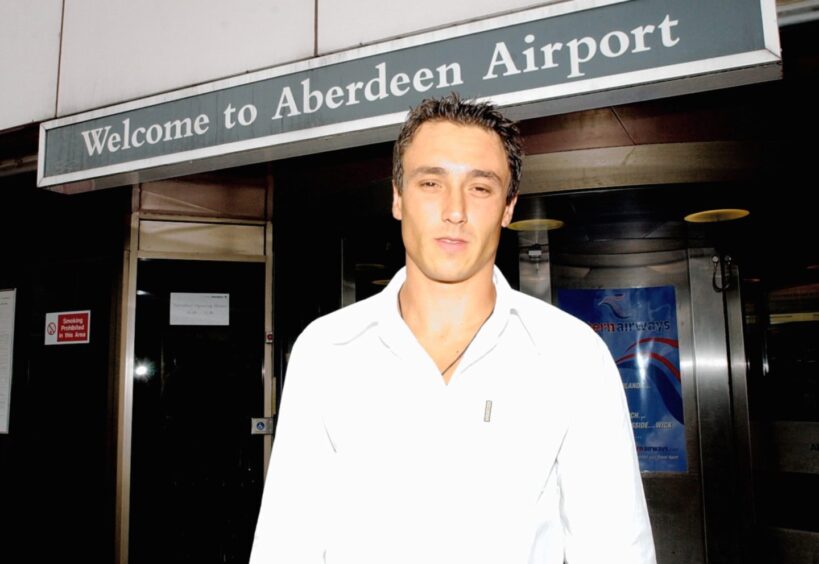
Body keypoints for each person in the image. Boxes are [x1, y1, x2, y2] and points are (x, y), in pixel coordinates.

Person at [249, 93, 656, 563]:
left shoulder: (571, 356)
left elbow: (614, 549)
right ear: (398, 197)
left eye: (481, 188)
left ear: (507, 207)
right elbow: (287, 541)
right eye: (430, 183)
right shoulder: (326, 350)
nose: (455, 210)